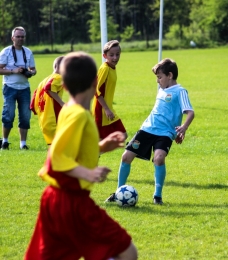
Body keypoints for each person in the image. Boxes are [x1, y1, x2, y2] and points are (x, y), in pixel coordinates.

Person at [24, 52, 138, 260]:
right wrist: (88, 173)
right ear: (96, 81)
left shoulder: (69, 110)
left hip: (54, 199)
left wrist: (102, 146)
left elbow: (73, 151)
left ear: (64, 86)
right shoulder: (77, 115)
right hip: (71, 200)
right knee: (128, 252)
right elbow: (56, 159)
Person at [105, 58, 195, 205]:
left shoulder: (180, 91)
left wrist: (182, 129)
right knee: (126, 156)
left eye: (160, 77)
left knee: (159, 158)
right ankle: (118, 192)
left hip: (165, 133)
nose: (157, 81)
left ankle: (157, 196)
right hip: (147, 129)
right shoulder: (161, 90)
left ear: (170, 75)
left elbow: (190, 113)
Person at [0, 26, 37, 150]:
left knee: (25, 116)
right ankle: (5, 142)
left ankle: (23, 144)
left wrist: (30, 72)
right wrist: (13, 71)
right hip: (9, 87)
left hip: (24, 88)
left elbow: (34, 69)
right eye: (18, 36)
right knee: (8, 115)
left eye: (22, 36)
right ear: (12, 38)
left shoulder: (28, 52)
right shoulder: (6, 52)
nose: (20, 39)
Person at [92, 40, 127, 140]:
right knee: (121, 136)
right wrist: (106, 109)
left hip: (108, 109)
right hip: (101, 111)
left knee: (122, 136)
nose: (115, 58)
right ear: (104, 56)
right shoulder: (105, 69)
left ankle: (93, 154)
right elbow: (96, 89)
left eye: (117, 54)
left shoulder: (112, 68)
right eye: (111, 55)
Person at [30, 56, 64, 145]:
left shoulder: (44, 80)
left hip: (44, 120)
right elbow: (48, 88)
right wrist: (62, 103)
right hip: (54, 118)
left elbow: (33, 102)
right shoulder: (58, 78)